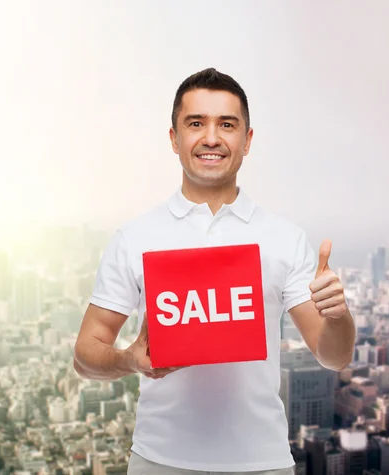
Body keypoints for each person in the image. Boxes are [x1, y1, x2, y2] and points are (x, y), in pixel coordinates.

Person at [73, 68, 356, 475]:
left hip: (263, 464)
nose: (211, 138)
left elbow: (335, 356)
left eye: (226, 124)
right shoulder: (134, 237)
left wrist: (338, 314)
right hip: (158, 461)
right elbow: (85, 355)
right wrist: (129, 359)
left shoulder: (284, 238)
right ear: (174, 138)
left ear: (247, 140)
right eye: (195, 124)